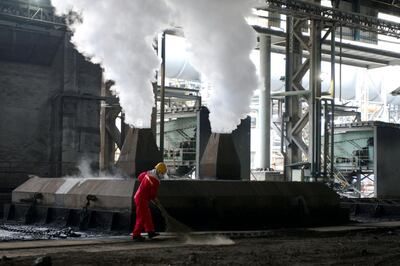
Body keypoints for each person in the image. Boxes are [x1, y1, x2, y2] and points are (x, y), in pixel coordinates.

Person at [132, 162, 167, 241]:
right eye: (162, 173)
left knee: (147, 215)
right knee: (141, 217)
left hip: (139, 197)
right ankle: (136, 234)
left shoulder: (148, 173)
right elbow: (152, 194)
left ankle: (150, 231)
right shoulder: (156, 181)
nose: (162, 174)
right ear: (159, 172)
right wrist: (155, 200)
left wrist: (145, 187)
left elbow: (140, 177)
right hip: (142, 199)